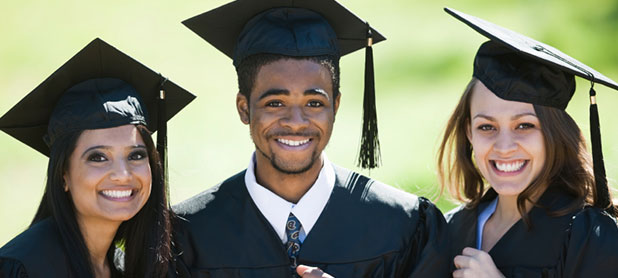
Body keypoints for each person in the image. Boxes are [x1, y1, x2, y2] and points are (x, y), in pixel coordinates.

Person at [172, 0, 450, 277]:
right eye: (275, 103)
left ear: (335, 107)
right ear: (244, 109)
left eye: (314, 103)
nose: (296, 122)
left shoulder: (402, 226)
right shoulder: (189, 234)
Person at [438, 8, 618, 278]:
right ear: (469, 133)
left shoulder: (589, 237)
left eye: (525, 125)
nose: (504, 145)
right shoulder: (448, 230)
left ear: (554, 135)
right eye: (486, 127)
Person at [0, 38, 195, 278]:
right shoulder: (25, 267)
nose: (123, 174)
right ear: (63, 175)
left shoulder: (125, 267)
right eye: (98, 157)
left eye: (136, 155)